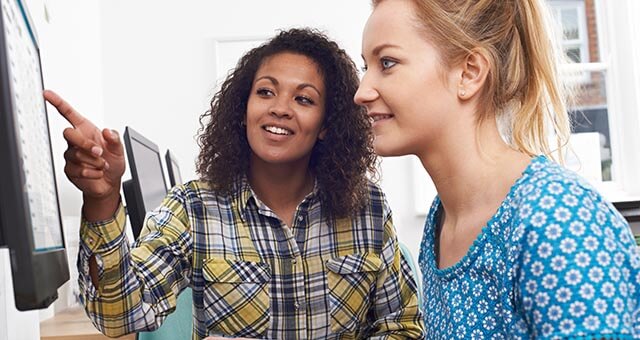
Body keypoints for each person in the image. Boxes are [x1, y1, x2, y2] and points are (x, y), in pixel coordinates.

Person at [46, 28, 424, 339]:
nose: (279, 107)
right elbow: (118, 316)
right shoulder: (193, 209)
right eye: (265, 92)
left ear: (327, 125)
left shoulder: (368, 206)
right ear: (243, 111)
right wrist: (103, 198)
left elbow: (403, 328)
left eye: (304, 99)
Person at [355, 0, 640, 338]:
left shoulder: (556, 218)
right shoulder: (443, 219)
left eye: (387, 63)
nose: (362, 92)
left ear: (469, 72)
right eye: (366, 67)